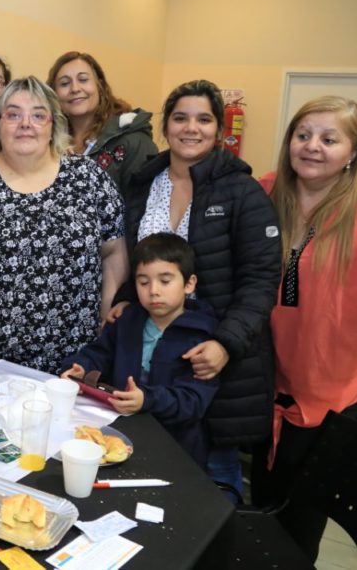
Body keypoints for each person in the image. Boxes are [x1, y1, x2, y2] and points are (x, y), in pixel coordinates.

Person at [254, 96, 357, 561]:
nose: (312, 147)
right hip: (263, 385)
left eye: (330, 139)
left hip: (331, 394)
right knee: (259, 511)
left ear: (352, 151)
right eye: (303, 135)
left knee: (300, 528)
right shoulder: (266, 191)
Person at [119, 79, 280, 500]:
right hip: (151, 359)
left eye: (204, 119)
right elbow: (134, 261)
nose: (191, 128)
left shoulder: (242, 192)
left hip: (214, 362)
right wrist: (121, 302)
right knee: (145, 479)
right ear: (165, 126)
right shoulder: (142, 185)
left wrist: (225, 344)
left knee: (210, 487)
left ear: (219, 128)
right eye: (180, 118)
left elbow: (261, 280)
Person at [0, 76, 127, 374]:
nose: (25, 123)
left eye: (38, 115)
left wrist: (106, 337)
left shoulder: (89, 178)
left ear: (54, 124)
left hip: (77, 362)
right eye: (13, 114)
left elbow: (114, 254)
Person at [60, 233, 220, 467]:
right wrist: (80, 367)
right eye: (143, 282)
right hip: (119, 434)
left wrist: (147, 400)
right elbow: (100, 352)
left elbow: (193, 401)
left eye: (165, 281)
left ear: (189, 284)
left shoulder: (203, 337)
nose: (153, 290)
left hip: (175, 449)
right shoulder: (128, 320)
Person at [47, 51, 158, 194]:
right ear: (54, 93)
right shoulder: (48, 141)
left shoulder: (133, 140)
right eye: (64, 83)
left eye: (83, 80)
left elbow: (141, 207)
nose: (75, 89)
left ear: (99, 85)